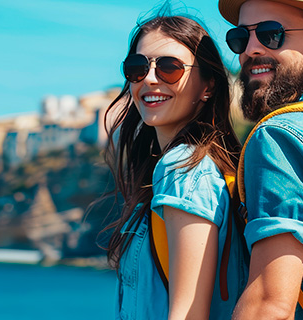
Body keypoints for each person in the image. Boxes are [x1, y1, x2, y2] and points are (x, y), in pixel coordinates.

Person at [102, 10, 248, 320]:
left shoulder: (184, 168)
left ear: (208, 85)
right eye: (137, 68)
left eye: (170, 67)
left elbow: (187, 313)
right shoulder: (207, 166)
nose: (150, 78)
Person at [218, 0, 303, 319]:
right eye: (240, 38)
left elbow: (268, 304)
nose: (250, 49)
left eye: (271, 34)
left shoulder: (281, 137)